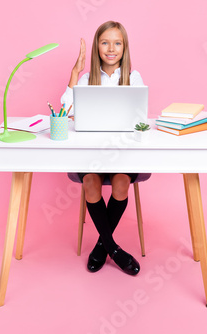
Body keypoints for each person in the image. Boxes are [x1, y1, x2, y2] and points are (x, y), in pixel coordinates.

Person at [61, 21, 144, 276]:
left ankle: (102, 246)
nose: (111, 48)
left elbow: (140, 118)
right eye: (105, 42)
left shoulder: (134, 78)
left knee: (121, 183)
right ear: (97, 46)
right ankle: (114, 249)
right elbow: (65, 112)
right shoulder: (87, 80)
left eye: (117, 43)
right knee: (90, 183)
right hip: (92, 154)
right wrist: (75, 73)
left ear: (124, 47)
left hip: (123, 153)